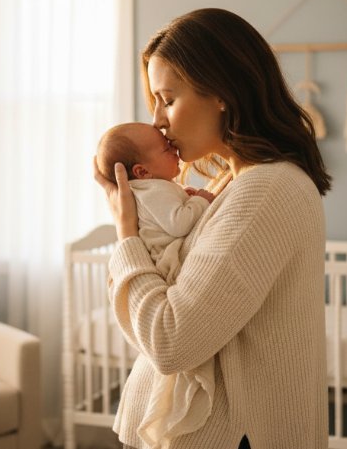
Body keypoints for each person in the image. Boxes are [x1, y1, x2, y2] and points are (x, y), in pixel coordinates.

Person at [93, 8, 332, 449]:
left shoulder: (266, 189)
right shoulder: (230, 183)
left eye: (167, 99)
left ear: (220, 92)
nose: (158, 121)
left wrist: (127, 234)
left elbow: (169, 342)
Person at [96, 121, 217, 449]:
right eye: (165, 149)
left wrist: (186, 198)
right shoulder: (156, 189)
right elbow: (178, 224)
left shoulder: (149, 188)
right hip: (161, 265)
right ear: (142, 170)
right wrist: (201, 200)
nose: (173, 147)